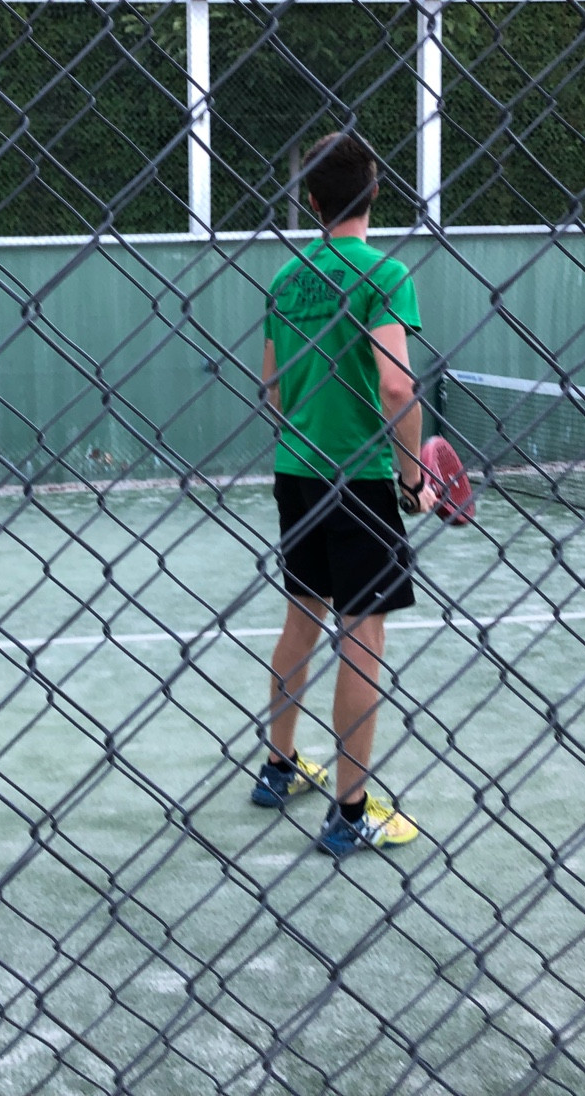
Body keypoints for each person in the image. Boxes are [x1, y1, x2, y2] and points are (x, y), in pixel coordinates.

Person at [251, 130, 437, 859]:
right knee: (363, 637)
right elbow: (396, 384)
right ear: (376, 191)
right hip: (359, 479)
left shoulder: (285, 279)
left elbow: (271, 387)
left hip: (296, 472)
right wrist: (412, 477)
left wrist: (305, 432)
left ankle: (279, 768)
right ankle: (351, 812)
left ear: (311, 200)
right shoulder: (384, 273)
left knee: (302, 619)